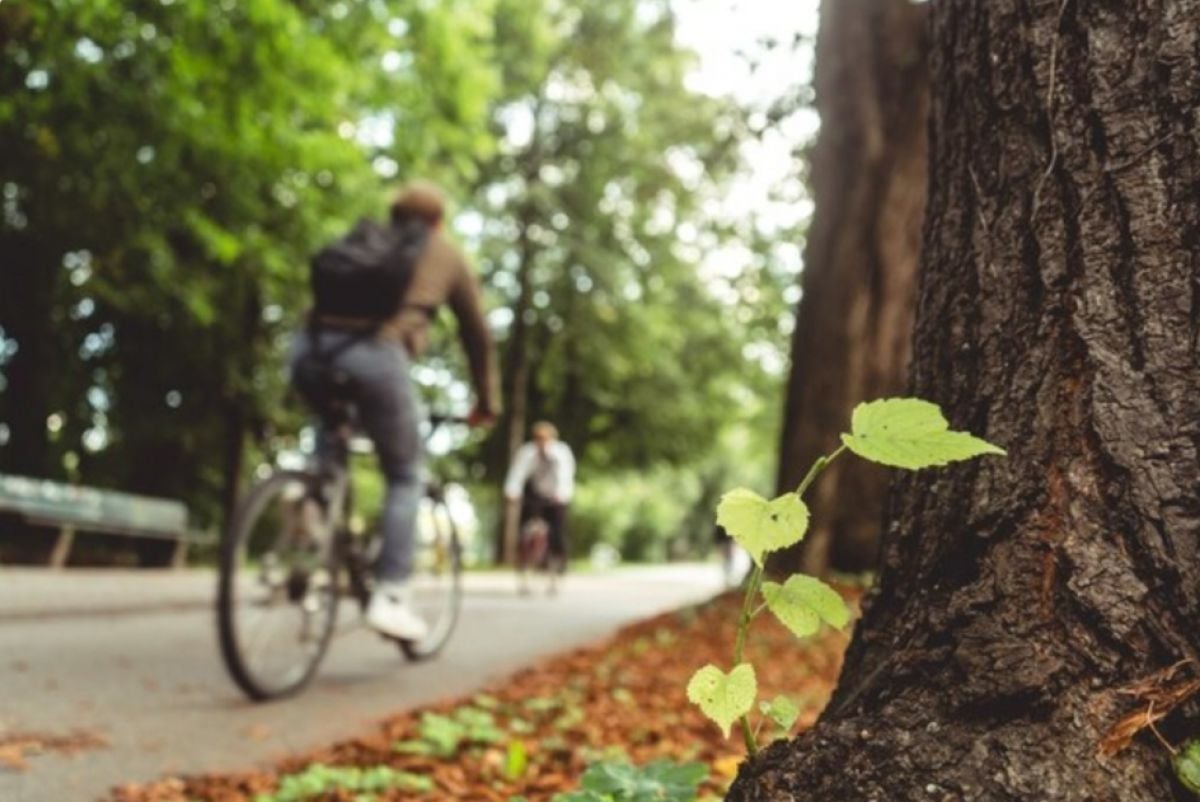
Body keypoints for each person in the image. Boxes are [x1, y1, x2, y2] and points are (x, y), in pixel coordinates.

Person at [290, 181, 499, 641]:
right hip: (375, 356)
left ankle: (310, 509)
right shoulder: (444, 253)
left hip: (310, 350)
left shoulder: (366, 238)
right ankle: (391, 596)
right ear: (438, 221)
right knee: (405, 474)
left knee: (331, 440)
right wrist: (487, 402)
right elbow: (477, 334)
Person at [504, 422, 576, 574]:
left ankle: (559, 557)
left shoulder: (561, 453)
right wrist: (512, 491)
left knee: (558, 527)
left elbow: (565, 476)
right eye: (538, 439)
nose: (541, 443)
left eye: (544, 439)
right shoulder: (527, 452)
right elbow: (517, 474)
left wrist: (562, 495)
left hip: (556, 492)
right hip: (535, 491)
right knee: (525, 519)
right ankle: (523, 554)